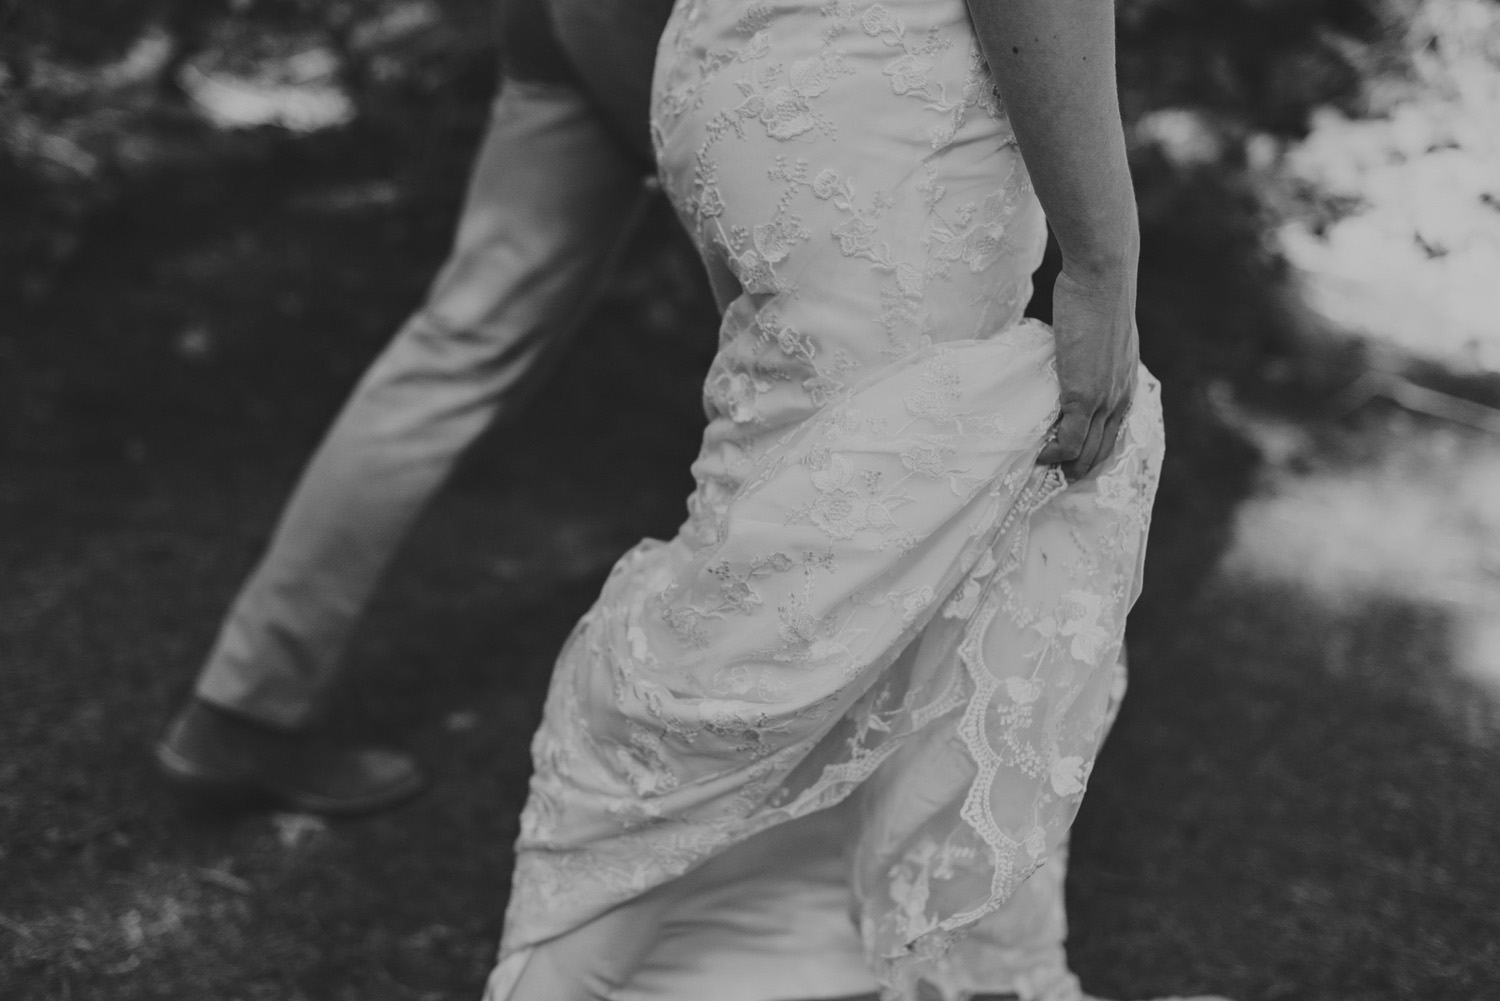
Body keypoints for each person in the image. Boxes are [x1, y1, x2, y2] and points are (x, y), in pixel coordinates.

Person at [483, 1, 1230, 1000]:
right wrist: (1104, 255)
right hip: (883, 94)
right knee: (837, 561)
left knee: (881, 545)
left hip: (740, 61)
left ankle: (927, 965)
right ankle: (589, 965)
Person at [153, 0, 673, 815]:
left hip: (563, 27)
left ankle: (239, 705)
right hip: (693, 34)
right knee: (826, 346)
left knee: (452, 350)